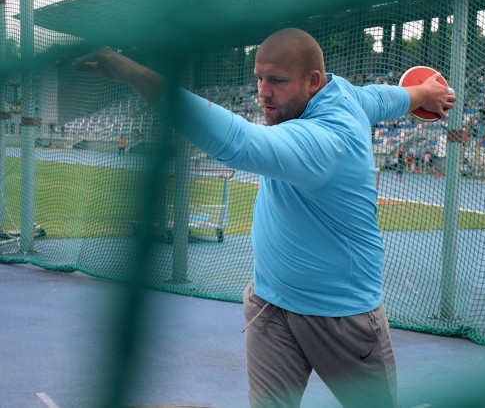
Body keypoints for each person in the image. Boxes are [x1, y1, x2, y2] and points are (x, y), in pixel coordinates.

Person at [73, 28, 456, 408]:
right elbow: (385, 98)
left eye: (277, 80)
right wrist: (423, 94)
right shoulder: (345, 94)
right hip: (271, 304)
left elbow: (238, 142)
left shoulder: (326, 141)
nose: (263, 91)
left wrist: (134, 74)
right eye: (259, 77)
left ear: (313, 81)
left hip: (341, 316)